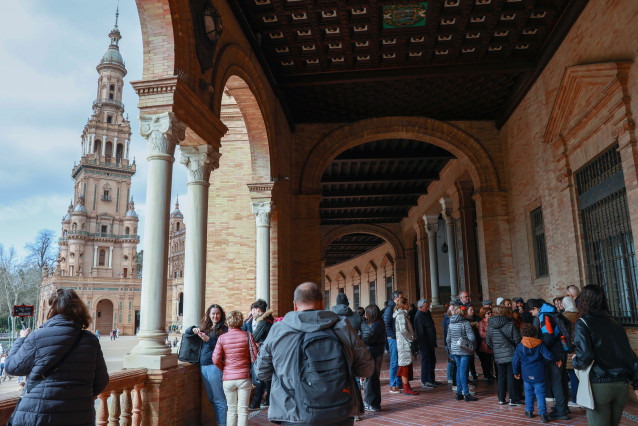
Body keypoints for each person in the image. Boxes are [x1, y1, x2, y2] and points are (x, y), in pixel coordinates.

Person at [255, 282, 373, 426]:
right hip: (340, 410)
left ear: (295, 305)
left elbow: (261, 372)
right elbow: (366, 369)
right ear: (322, 302)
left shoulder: (279, 330)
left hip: (293, 413)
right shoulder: (343, 326)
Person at [4, 289, 109, 424]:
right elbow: (101, 381)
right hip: (79, 416)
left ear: (52, 310)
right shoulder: (91, 340)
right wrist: (78, 394)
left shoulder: (37, 336)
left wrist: (22, 339)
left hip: (39, 415)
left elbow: (12, 367)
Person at [572, 285, 638, 426]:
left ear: (584, 300)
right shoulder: (616, 324)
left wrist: (575, 361)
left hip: (599, 385)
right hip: (621, 386)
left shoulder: (583, 323)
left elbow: (585, 356)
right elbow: (631, 357)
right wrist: (636, 383)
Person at [186, 304, 228, 426]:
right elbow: (187, 332)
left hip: (215, 366)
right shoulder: (205, 327)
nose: (215, 316)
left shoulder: (224, 329)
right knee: (211, 398)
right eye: (213, 313)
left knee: (219, 399)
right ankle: (219, 421)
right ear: (209, 315)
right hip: (203, 365)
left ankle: (223, 423)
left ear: (221, 315)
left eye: (218, 313)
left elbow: (222, 347)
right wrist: (193, 328)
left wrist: (208, 340)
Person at [529, 298, 569, 420]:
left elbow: (548, 335)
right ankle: (563, 406)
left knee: (556, 380)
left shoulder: (543, 315)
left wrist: (542, 350)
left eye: (531, 312)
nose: (532, 314)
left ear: (535, 308)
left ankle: (561, 411)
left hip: (555, 352)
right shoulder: (553, 312)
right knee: (561, 379)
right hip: (562, 348)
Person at [213, 310, 254, 426]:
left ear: (228, 322)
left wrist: (224, 369)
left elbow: (215, 359)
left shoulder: (222, 338)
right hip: (244, 377)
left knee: (231, 410)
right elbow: (254, 357)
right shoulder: (248, 335)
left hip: (228, 378)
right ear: (241, 321)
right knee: (243, 410)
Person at [513, 323, 555, 422]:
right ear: (535, 333)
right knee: (540, 393)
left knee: (528, 392)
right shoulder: (540, 344)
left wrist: (516, 372)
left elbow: (515, 360)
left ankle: (529, 411)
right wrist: (556, 358)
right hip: (539, 373)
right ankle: (543, 415)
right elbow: (548, 356)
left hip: (526, 374)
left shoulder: (520, 346)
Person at [486, 305, 522, 406]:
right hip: (511, 353)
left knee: (500, 377)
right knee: (511, 376)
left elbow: (488, 341)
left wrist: (496, 348)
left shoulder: (490, 325)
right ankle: (512, 399)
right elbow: (517, 339)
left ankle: (501, 398)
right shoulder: (510, 323)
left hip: (498, 355)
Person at [243, 299, 274, 410]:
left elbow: (253, 338)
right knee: (267, 378)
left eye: (253, 309)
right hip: (269, 351)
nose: (252, 312)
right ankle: (267, 400)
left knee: (261, 377)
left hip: (264, 353)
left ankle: (257, 402)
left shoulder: (263, 322)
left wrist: (257, 342)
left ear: (257, 309)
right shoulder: (269, 319)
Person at [446, 306, 478, 402]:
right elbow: (471, 337)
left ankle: (459, 393)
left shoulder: (451, 324)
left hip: (454, 350)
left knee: (459, 370)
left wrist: (450, 349)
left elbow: (448, 339)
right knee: (463, 372)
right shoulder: (465, 323)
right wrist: (471, 343)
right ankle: (466, 394)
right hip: (464, 350)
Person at [360, 304, 386, 412]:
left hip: (373, 354)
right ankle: (374, 403)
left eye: (367, 314)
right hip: (376, 353)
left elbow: (368, 339)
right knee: (373, 379)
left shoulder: (376, 325)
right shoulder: (378, 323)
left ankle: (371, 403)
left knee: (371, 379)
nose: (366, 316)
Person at [393, 297, 418, 395]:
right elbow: (403, 330)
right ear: (403, 305)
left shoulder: (402, 314)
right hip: (404, 343)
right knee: (404, 366)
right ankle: (406, 388)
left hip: (405, 343)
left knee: (406, 365)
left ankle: (406, 387)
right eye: (407, 304)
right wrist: (411, 337)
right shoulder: (401, 315)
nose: (408, 305)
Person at [414, 299, 438, 388]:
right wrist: (422, 344)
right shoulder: (418, 316)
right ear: (420, 307)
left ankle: (431, 379)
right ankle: (425, 381)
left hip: (430, 342)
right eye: (426, 306)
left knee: (432, 361)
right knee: (426, 361)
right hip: (425, 343)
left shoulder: (426, 313)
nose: (428, 308)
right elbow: (419, 332)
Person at [383, 289, 403, 393]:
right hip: (393, 339)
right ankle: (393, 384)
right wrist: (393, 336)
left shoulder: (396, 308)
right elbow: (386, 323)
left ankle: (398, 382)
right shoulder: (389, 309)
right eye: (400, 298)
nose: (402, 299)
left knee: (399, 361)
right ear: (395, 299)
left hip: (397, 338)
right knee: (394, 362)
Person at [561, 295, 579, 407]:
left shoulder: (564, 316)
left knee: (572, 374)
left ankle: (576, 398)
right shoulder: (580, 315)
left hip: (568, 348)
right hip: (580, 348)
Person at [477, 307, 495, 383]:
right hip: (486, 345)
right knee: (486, 362)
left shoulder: (493, 321)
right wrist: (491, 334)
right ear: (484, 314)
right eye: (488, 313)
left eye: (491, 312)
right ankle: (487, 376)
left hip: (493, 345)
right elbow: (482, 334)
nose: (490, 314)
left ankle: (491, 375)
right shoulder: (482, 323)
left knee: (492, 362)